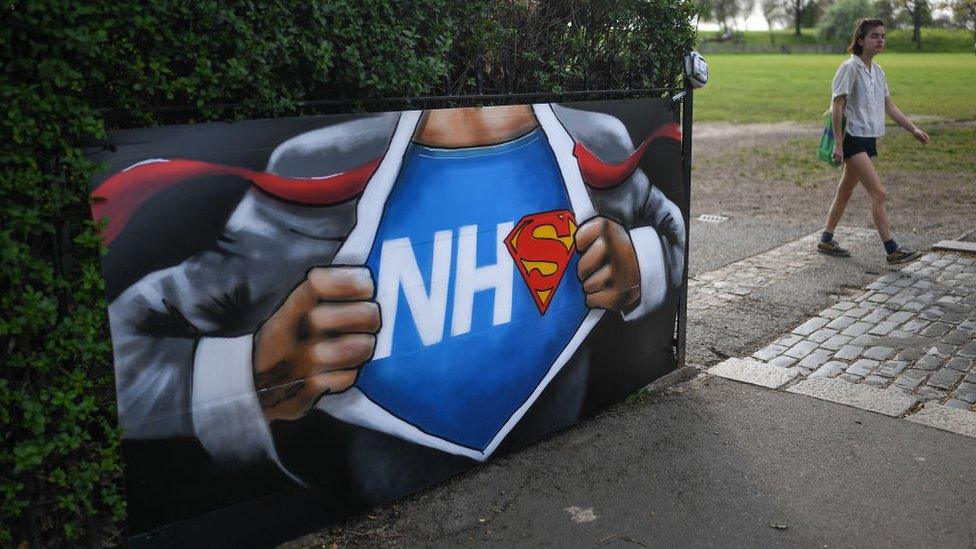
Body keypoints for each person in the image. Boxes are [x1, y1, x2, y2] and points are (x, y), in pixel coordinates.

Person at [97, 103, 686, 508]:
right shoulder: (318, 169)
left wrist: (644, 264)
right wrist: (251, 373)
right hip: (364, 489)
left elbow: (671, 230)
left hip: (559, 456)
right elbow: (123, 349)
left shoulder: (598, 143)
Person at [817, 17, 929, 264]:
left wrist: (913, 129)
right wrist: (837, 143)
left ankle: (826, 238)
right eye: (874, 36)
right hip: (851, 138)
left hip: (868, 139)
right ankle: (892, 250)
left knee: (845, 191)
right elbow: (837, 107)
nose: (880, 40)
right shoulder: (849, 68)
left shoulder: (878, 71)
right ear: (860, 40)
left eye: (882, 36)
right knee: (878, 193)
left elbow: (889, 106)